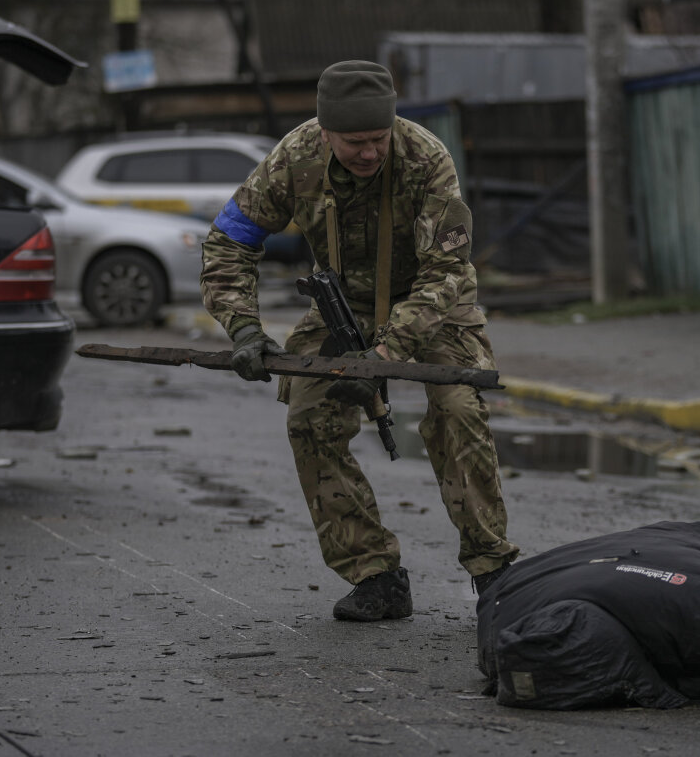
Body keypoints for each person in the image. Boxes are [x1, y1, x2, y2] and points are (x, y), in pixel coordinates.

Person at [199, 60, 520, 621]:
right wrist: (244, 328)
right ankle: (375, 573)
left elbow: (445, 270)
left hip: (432, 303)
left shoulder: (425, 158)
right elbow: (228, 243)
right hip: (340, 302)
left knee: (458, 410)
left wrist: (385, 356)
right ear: (325, 132)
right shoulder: (291, 160)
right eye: (354, 142)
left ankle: (493, 569)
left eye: (378, 139)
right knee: (308, 418)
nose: (370, 152)